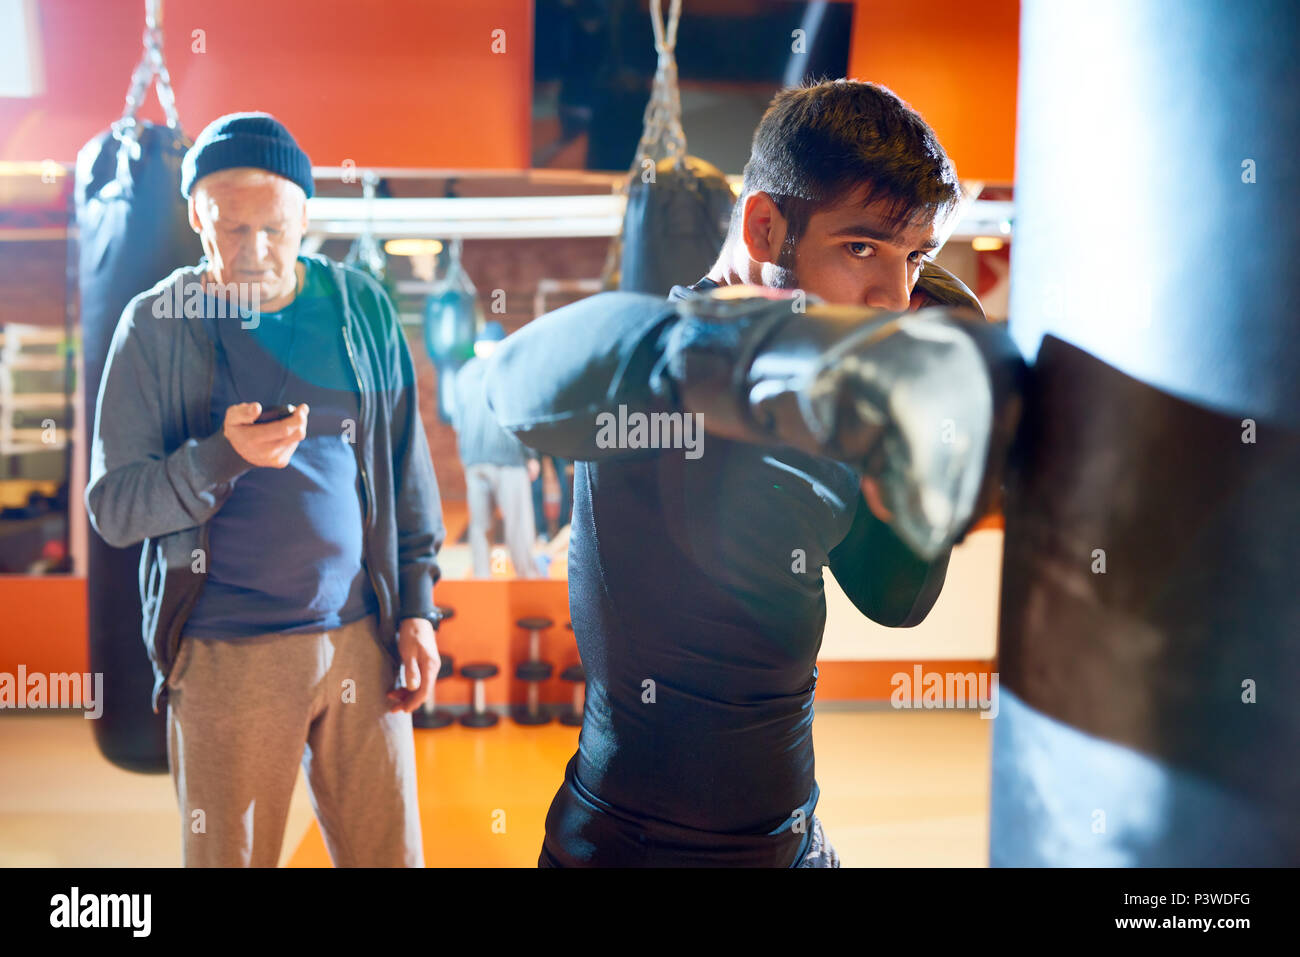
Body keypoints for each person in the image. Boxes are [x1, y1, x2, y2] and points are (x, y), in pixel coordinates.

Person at [485, 79, 1022, 867]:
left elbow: (895, 601)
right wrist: (773, 354)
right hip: (632, 850)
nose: (893, 295)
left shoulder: (847, 380)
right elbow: (513, 383)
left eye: (916, 258)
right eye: (863, 247)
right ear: (766, 227)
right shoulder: (651, 378)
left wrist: (925, 451)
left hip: (791, 842)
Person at [85, 112, 446, 867]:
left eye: (275, 229)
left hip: (362, 641)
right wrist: (221, 457)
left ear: (306, 215)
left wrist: (416, 607)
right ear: (195, 216)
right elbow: (114, 508)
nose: (254, 252)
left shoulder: (361, 308)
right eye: (231, 228)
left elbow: (406, 466)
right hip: (227, 654)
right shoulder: (154, 325)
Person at [451, 347, 542, 578]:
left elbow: (457, 422)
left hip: (475, 460)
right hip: (508, 459)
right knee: (518, 525)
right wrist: (531, 455)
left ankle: (482, 576)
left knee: (480, 525)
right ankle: (527, 575)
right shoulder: (509, 370)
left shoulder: (463, 375)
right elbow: (522, 416)